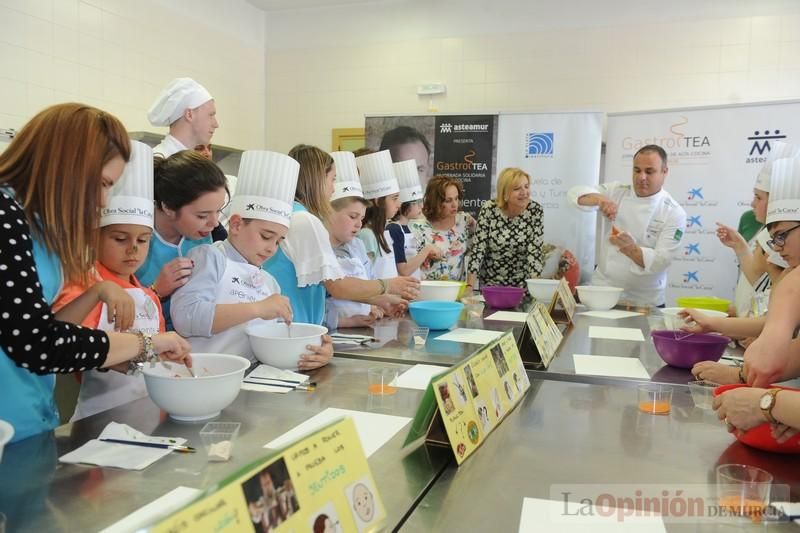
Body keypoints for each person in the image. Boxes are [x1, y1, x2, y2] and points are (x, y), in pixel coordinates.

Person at [0, 103, 190, 443]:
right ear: (67, 167)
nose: (103, 202)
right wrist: (144, 344)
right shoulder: (4, 215)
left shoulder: (38, 226)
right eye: (102, 184)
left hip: (30, 419)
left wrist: (97, 301)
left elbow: (49, 328)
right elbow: (35, 343)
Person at [171, 150, 333, 369]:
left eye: (278, 241)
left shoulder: (269, 282)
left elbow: (276, 341)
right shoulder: (210, 258)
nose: (271, 248)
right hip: (203, 378)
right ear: (236, 224)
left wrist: (317, 351)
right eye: (266, 236)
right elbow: (186, 318)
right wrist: (257, 308)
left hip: (249, 379)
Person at [52, 141, 165, 420]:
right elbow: (70, 345)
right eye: (120, 239)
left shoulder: (149, 297)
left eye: (142, 240)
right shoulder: (83, 285)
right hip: (97, 417)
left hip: (148, 409)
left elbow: (158, 350)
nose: (133, 249)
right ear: (95, 237)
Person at [263, 145, 419, 326]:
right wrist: (387, 285)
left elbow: (324, 285)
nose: (333, 187)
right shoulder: (304, 220)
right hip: (294, 325)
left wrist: (378, 299)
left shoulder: (294, 213)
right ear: (318, 180)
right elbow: (337, 286)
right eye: (332, 179)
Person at [568, 144, 686, 307]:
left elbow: (662, 260)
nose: (641, 177)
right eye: (637, 170)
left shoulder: (673, 212)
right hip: (602, 293)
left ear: (664, 172)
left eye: (649, 171)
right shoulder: (617, 191)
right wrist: (601, 200)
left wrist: (631, 249)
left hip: (644, 301)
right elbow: (576, 194)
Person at [136, 151, 228, 329]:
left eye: (218, 211)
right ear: (168, 207)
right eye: (202, 215)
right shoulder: (135, 239)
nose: (214, 223)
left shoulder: (202, 236)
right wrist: (156, 291)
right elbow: (113, 312)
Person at [326, 153, 392, 329]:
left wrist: (378, 303)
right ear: (328, 212)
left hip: (360, 330)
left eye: (362, 218)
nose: (358, 224)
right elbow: (331, 293)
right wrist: (345, 322)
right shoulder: (319, 248)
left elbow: (368, 283)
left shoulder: (357, 245)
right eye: (353, 216)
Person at [468, 167, 544, 289]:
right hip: (491, 285)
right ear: (505, 193)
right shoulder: (489, 209)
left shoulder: (535, 211)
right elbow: (478, 249)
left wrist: (537, 289)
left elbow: (534, 253)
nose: (524, 192)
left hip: (522, 287)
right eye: (517, 188)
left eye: (526, 186)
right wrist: (469, 286)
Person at [411, 176, 476, 281]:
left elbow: (480, 250)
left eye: (456, 198)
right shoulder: (418, 228)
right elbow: (407, 267)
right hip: (427, 292)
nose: (455, 204)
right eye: (448, 200)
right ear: (435, 202)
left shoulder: (465, 221)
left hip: (456, 292)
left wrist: (470, 286)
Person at [387, 159, 442, 278]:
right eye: (416, 203)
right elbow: (403, 270)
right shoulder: (394, 229)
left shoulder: (406, 228)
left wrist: (424, 257)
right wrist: (426, 250)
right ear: (402, 204)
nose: (421, 206)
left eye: (420, 202)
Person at [355, 150, 402, 278]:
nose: (399, 204)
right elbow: (364, 280)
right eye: (394, 198)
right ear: (378, 201)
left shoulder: (382, 232)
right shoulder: (366, 235)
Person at [148, 77, 218, 158]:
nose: (216, 124)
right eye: (211, 115)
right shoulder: (160, 160)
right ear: (189, 115)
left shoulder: (191, 161)